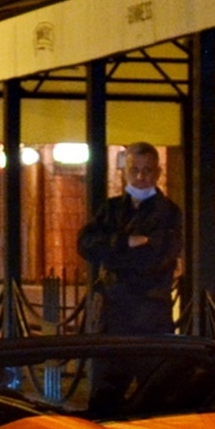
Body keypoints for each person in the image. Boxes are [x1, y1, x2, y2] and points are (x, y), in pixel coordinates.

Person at [77, 143, 184, 335]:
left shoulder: (169, 212)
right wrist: (124, 242)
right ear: (125, 171)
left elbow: (157, 258)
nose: (141, 177)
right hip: (109, 317)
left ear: (158, 173)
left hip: (150, 317)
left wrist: (110, 255)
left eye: (147, 170)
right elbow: (85, 244)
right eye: (134, 170)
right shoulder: (110, 209)